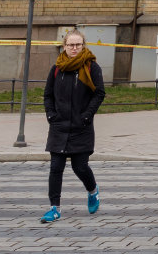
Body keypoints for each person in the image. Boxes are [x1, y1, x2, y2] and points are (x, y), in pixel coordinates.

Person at [40, 28, 105, 223]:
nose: (74, 48)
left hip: (81, 126)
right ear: (64, 46)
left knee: (80, 166)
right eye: (70, 45)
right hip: (59, 126)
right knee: (55, 167)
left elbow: (99, 93)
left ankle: (93, 190)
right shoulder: (57, 68)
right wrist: (51, 115)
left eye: (78, 45)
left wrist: (86, 116)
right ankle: (54, 208)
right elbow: (47, 95)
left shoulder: (92, 67)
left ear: (83, 46)